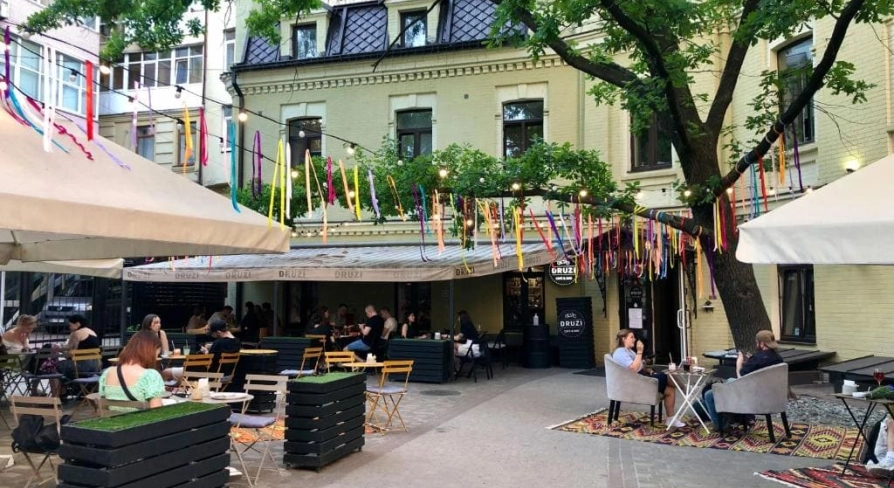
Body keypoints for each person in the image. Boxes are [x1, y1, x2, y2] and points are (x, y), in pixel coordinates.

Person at [701, 330, 783, 429]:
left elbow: (741, 378)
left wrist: (739, 363)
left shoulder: (757, 358)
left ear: (762, 343)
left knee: (709, 394)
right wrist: (750, 361)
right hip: (773, 397)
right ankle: (732, 418)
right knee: (730, 380)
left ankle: (720, 425)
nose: (756, 344)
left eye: (757, 342)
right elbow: (758, 369)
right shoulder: (778, 358)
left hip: (753, 399)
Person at [612, 329, 685, 428]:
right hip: (635, 384)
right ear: (623, 339)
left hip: (641, 380)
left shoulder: (628, 351)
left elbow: (640, 366)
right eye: (631, 337)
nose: (634, 339)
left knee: (670, 390)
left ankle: (670, 419)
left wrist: (649, 370)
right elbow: (633, 368)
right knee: (667, 374)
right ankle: (686, 390)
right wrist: (640, 351)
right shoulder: (620, 352)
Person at [99, 330, 165, 409]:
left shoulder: (107, 373)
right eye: (156, 353)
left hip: (113, 420)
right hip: (142, 420)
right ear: (150, 351)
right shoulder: (150, 376)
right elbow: (156, 412)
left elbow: (104, 407)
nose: (156, 358)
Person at [164, 320, 241, 381]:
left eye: (213, 335)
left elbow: (209, 360)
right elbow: (219, 353)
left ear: (218, 332)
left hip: (208, 375)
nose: (213, 337)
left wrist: (205, 352)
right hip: (227, 375)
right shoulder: (237, 342)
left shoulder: (219, 342)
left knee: (166, 372)